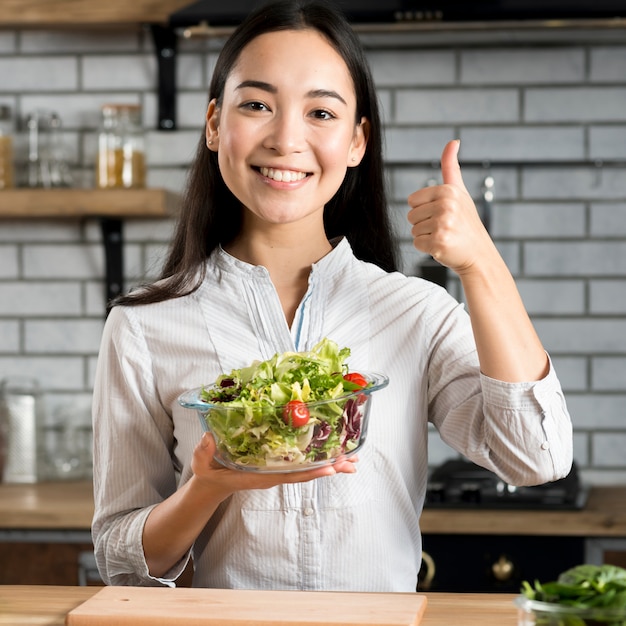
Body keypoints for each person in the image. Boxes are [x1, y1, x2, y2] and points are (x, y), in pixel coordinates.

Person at [91, 0, 573, 592]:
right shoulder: (144, 323)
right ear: (215, 124)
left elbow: (536, 458)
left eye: (321, 112)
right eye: (257, 105)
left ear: (356, 141)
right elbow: (120, 562)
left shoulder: (414, 312)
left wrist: (482, 264)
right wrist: (209, 485)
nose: (287, 139)